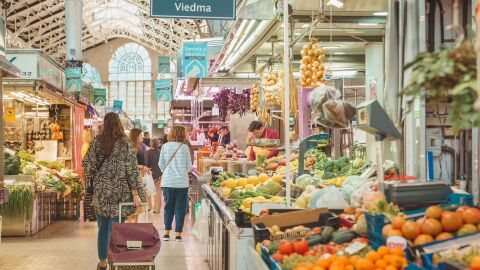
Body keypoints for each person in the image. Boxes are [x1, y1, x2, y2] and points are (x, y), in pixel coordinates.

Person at [82, 112, 144, 270]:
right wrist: (136, 193)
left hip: (101, 191)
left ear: (105, 124)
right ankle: (114, 260)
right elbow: (131, 170)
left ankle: (103, 262)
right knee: (115, 228)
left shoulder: (97, 141)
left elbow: (87, 166)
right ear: (118, 125)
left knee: (103, 228)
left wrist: (98, 172)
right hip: (120, 193)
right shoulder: (125, 143)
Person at [159, 126, 193, 242]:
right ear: (182, 134)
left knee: (168, 207)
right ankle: (178, 234)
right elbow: (189, 167)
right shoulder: (185, 148)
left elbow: (160, 164)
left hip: (168, 182)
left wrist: (167, 172)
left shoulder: (165, 146)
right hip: (182, 183)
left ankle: (166, 233)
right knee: (180, 208)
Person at [145, 139, 163, 213]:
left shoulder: (148, 152)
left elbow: (146, 163)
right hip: (159, 173)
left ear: (151, 144)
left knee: (148, 190)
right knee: (158, 192)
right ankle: (157, 209)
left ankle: (149, 206)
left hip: (150, 173)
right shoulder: (160, 152)